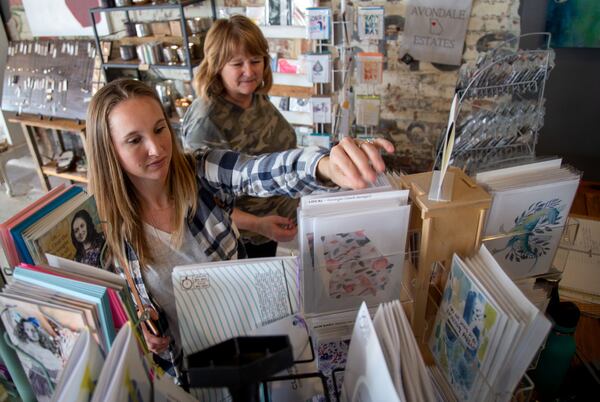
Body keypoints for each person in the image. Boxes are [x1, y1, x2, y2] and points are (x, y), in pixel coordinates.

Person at [85, 78, 393, 378]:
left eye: (159, 129)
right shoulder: (104, 229)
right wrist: (134, 330)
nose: (156, 148)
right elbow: (109, 313)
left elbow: (257, 171)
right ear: (108, 149)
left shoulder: (198, 172)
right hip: (185, 373)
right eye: (135, 140)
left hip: (248, 343)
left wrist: (325, 166)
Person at [182, 15, 298, 258]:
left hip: (272, 228)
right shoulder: (207, 120)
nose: (249, 71)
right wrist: (259, 224)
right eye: (237, 64)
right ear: (216, 66)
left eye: (256, 60)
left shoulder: (253, 96)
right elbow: (199, 203)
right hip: (241, 239)